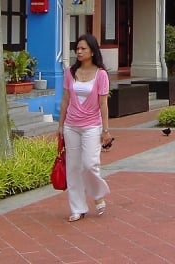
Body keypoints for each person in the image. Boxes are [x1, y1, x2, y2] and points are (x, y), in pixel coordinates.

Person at [57, 34, 111, 222]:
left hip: (92, 126)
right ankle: (77, 207)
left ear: (92, 51)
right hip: (71, 125)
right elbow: (65, 100)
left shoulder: (101, 74)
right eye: (77, 49)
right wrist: (60, 125)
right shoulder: (70, 72)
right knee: (73, 167)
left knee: (89, 164)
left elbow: (103, 104)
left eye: (83, 49)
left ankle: (97, 195)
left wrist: (106, 130)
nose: (79, 52)